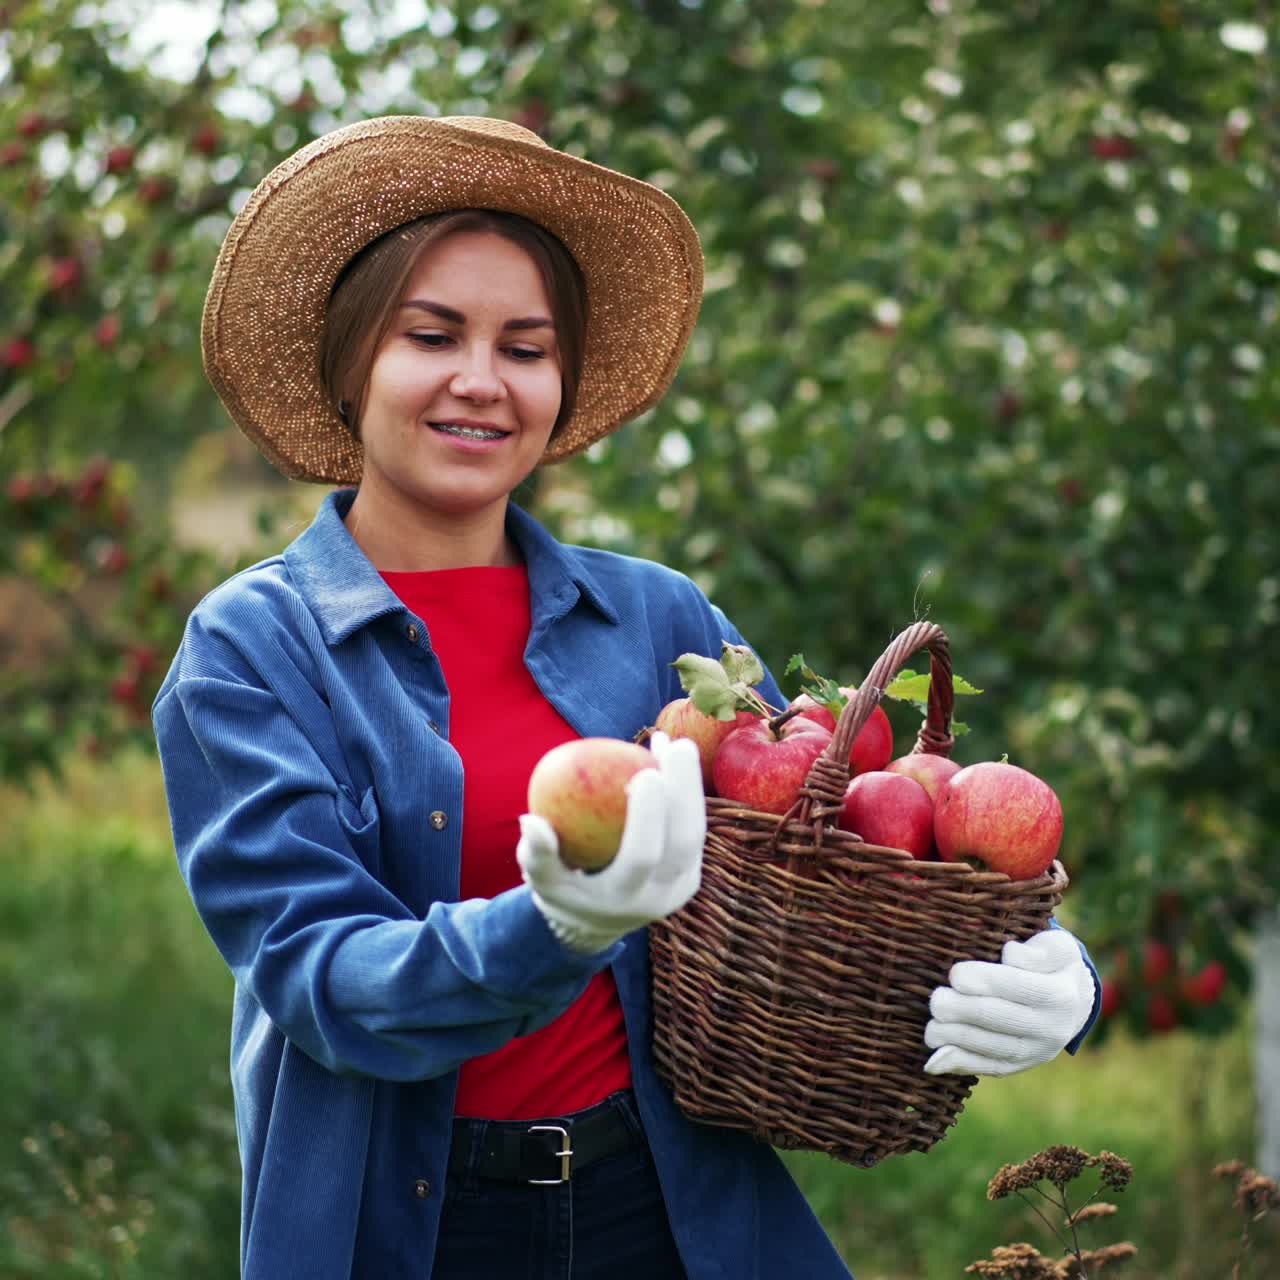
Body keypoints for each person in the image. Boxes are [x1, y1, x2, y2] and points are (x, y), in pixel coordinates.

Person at [152, 115, 1101, 1280]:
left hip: (669, 1209)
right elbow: (317, 976)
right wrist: (550, 929)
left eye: (526, 346)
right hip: (410, 1226)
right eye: (431, 334)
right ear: (355, 358)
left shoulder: (658, 622)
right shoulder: (253, 647)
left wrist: (1052, 964)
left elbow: (842, 835)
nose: (479, 381)